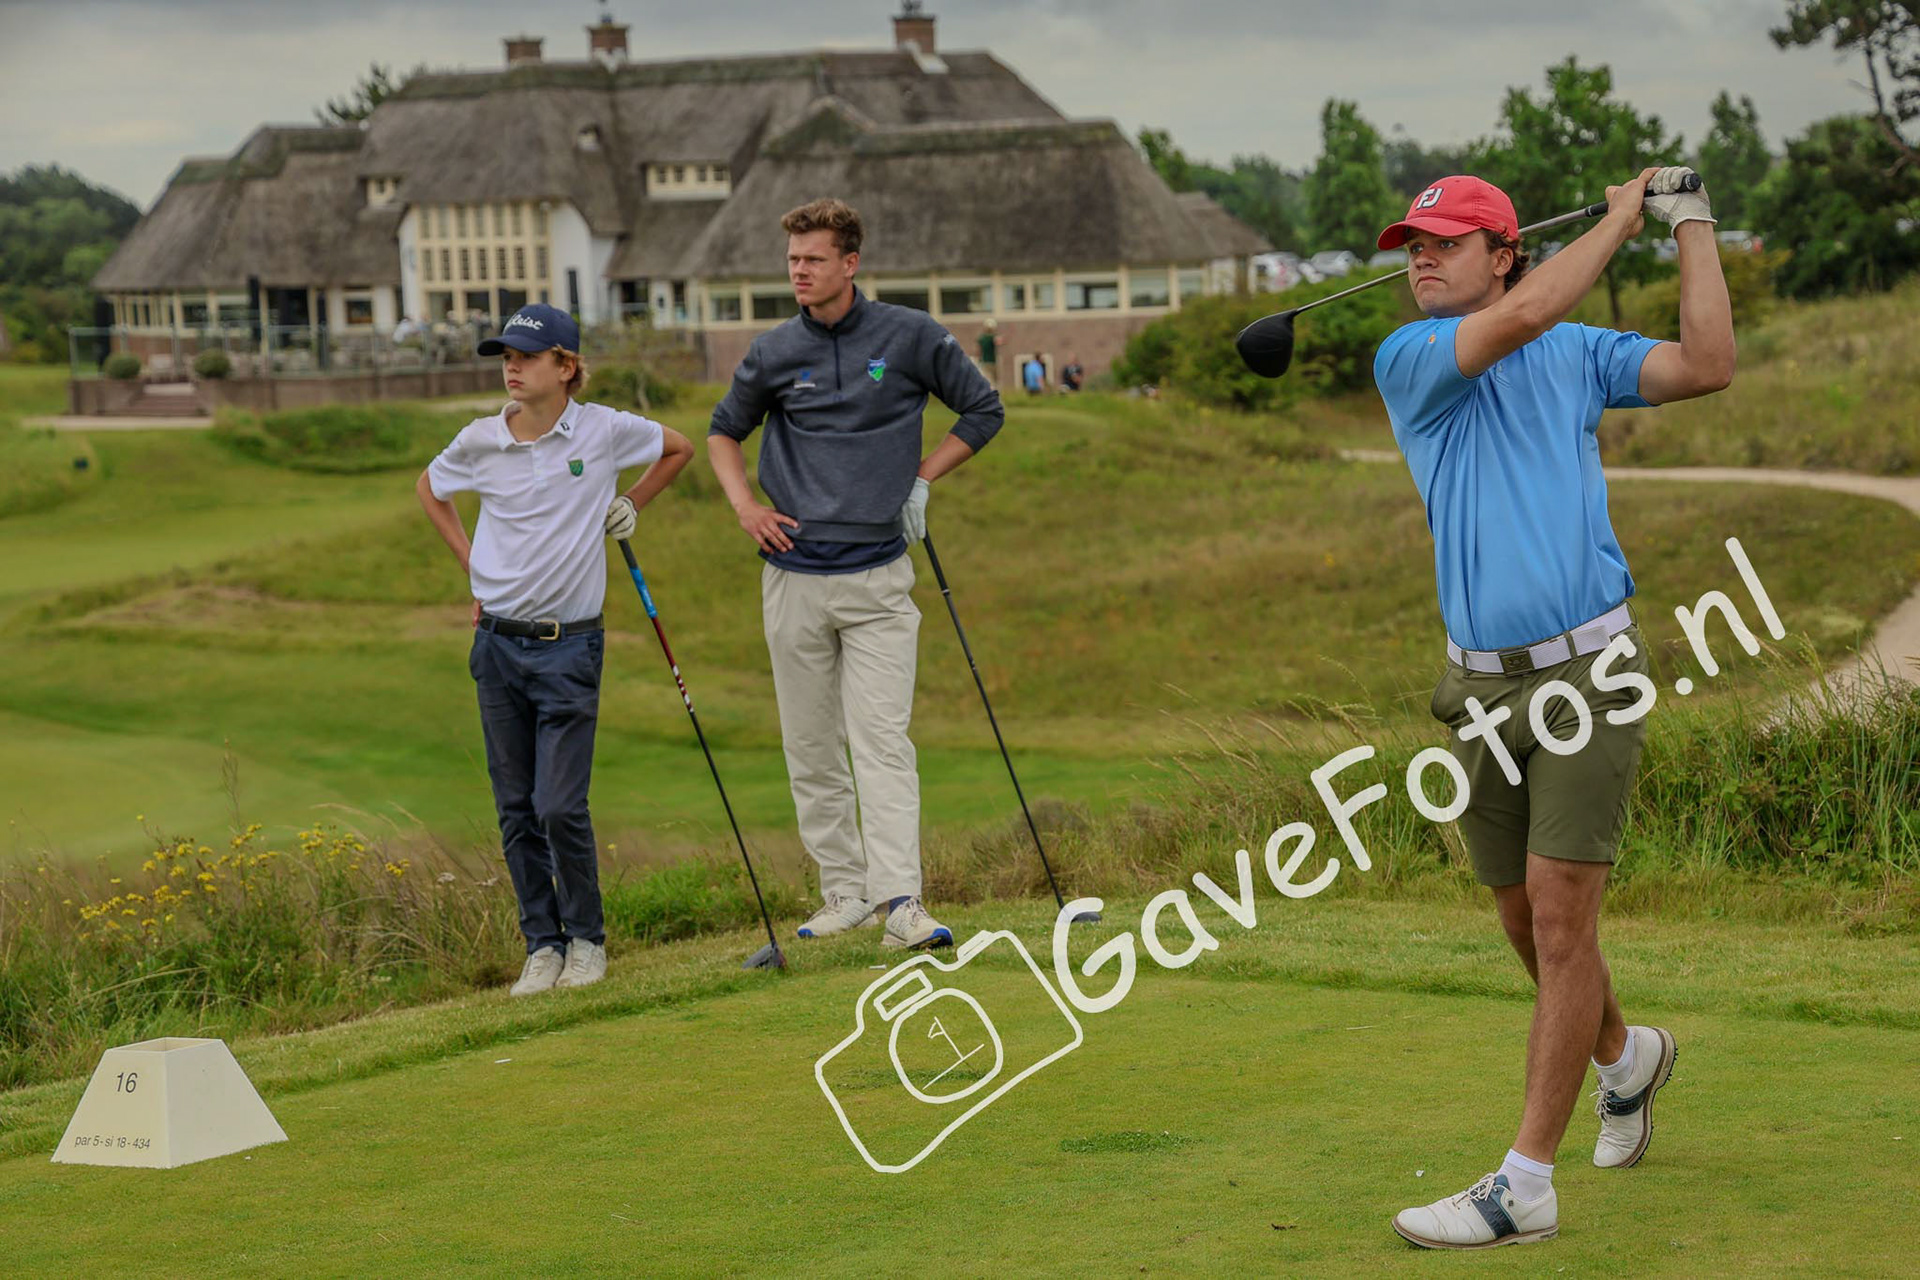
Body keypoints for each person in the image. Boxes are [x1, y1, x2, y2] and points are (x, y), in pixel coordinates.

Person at [1375, 169, 1733, 1250]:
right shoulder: (1409, 358)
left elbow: (1707, 364)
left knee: (1564, 915)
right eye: (1412, 244)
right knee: (1524, 921)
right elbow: (1525, 316)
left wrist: (1689, 220)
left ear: (1506, 248)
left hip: (1589, 671)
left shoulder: (1577, 354)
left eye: (1445, 242)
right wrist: (1621, 216)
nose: (1420, 258)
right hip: (1478, 684)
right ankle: (1626, 1058)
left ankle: (1524, 1180)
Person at [707, 198, 1004, 951]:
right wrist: (745, 506)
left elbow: (982, 409)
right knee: (810, 745)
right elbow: (723, 432)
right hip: (793, 575)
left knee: (881, 743)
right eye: (792, 261)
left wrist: (922, 479)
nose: (799, 272)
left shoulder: (907, 337)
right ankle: (843, 891)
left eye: (812, 259)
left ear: (850, 262)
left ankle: (901, 902)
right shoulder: (773, 350)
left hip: (877, 577)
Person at [416, 302, 694, 997]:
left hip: (570, 647)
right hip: (497, 647)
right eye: (504, 355)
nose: (510, 366)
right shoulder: (480, 439)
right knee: (515, 805)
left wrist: (634, 501)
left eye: (526, 356)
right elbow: (431, 488)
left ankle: (587, 940)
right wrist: (472, 566)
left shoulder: (601, 429)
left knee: (559, 805)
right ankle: (542, 944)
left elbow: (679, 446)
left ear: (566, 367)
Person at [977, 317, 998, 383]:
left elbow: (978, 351)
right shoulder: (992, 338)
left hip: (984, 362)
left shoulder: (981, 338)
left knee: (987, 379)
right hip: (991, 362)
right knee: (993, 380)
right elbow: (999, 342)